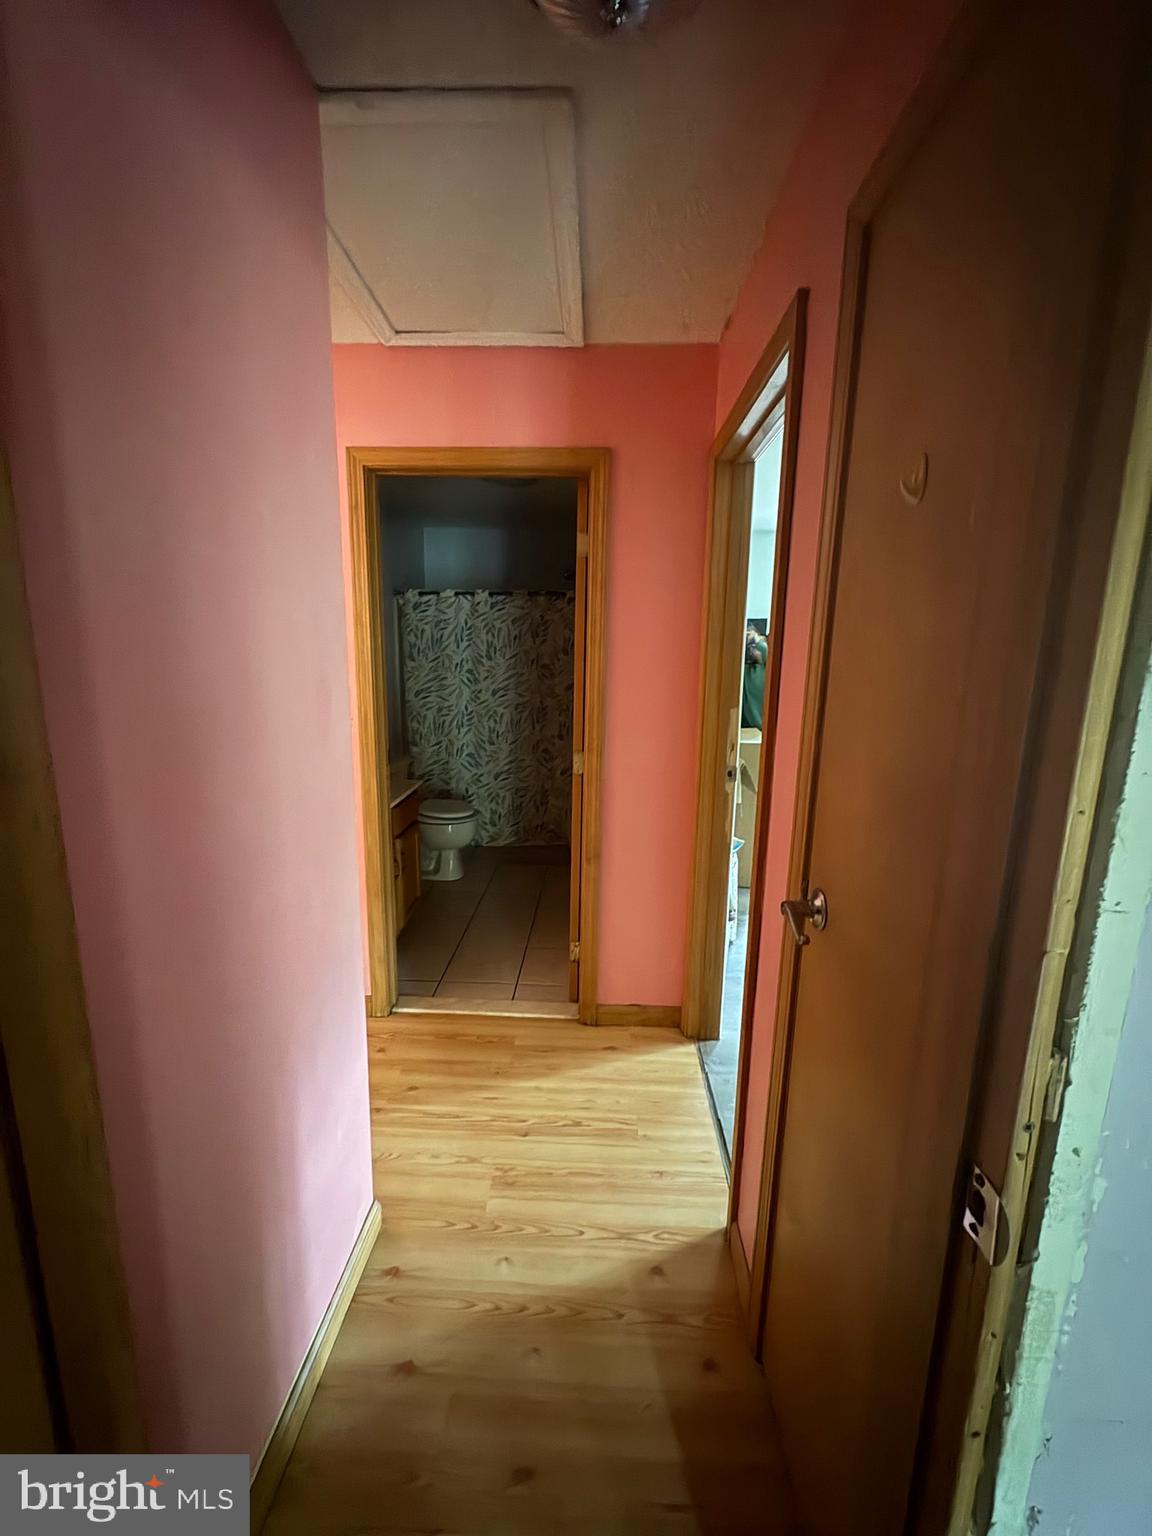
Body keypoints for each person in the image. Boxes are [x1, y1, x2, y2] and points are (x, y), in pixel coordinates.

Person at [742, 623, 768, 729]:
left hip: (759, 723)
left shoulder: (762, 664)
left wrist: (755, 640)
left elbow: (764, 650)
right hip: (745, 722)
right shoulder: (743, 668)